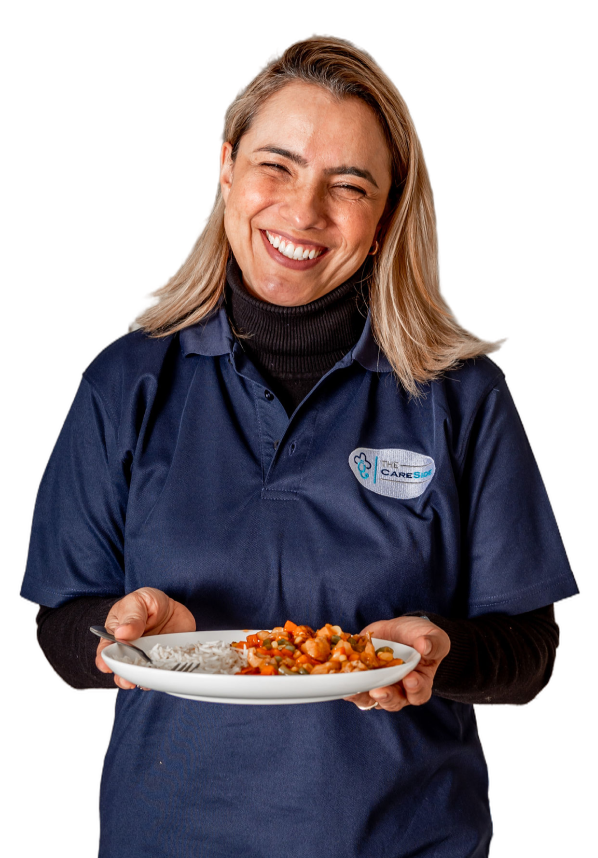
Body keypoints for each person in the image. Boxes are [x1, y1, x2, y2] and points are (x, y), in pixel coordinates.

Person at [22, 34, 577, 857]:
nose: (304, 212)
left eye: (348, 185)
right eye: (276, 166)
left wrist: (440, 650)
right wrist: (119, 630)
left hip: (404, 842)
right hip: (168, 840)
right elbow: (60, 634)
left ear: (386, 216)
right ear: (226, 168)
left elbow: (531, 653)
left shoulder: (460, 395)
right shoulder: (125, 382)